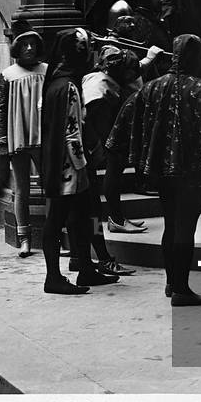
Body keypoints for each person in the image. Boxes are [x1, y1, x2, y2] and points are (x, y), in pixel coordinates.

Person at [107, 34, 201, 305]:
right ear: (194, 57)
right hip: (191, 173)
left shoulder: (152, 88)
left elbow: (126, 114)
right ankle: (182, 289)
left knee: (171, 224)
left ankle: (172, 282)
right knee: (185, 227)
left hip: (161, 170)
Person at [40, 28, 119, 295]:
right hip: (70, 168)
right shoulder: (69, 87)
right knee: (59, 219)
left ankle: (86, 268)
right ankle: (54, 277)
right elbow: (72, 132)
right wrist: (82, 167)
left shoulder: (54, 83)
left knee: (80, 218)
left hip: (58, 163)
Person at [79, 46, 142, 276]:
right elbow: (100, 127)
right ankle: (102, 258)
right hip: (82, 157)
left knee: (85, 212)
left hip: (78, 156)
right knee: (92, 212)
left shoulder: (97, 80)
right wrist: (107, 149)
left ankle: (81, 258)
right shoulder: (100, 88)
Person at [0, 20, 46, 257]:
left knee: (52, 187)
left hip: (43, 136)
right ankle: (24, 237)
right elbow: (0, 109)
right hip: (18, 134)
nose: (29, 49)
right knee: (21, 189)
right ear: (17, 48)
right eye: (24, 44)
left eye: (32, 44)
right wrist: (3, 139)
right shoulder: (7, 75)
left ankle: (55, 234)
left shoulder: (46, 70)